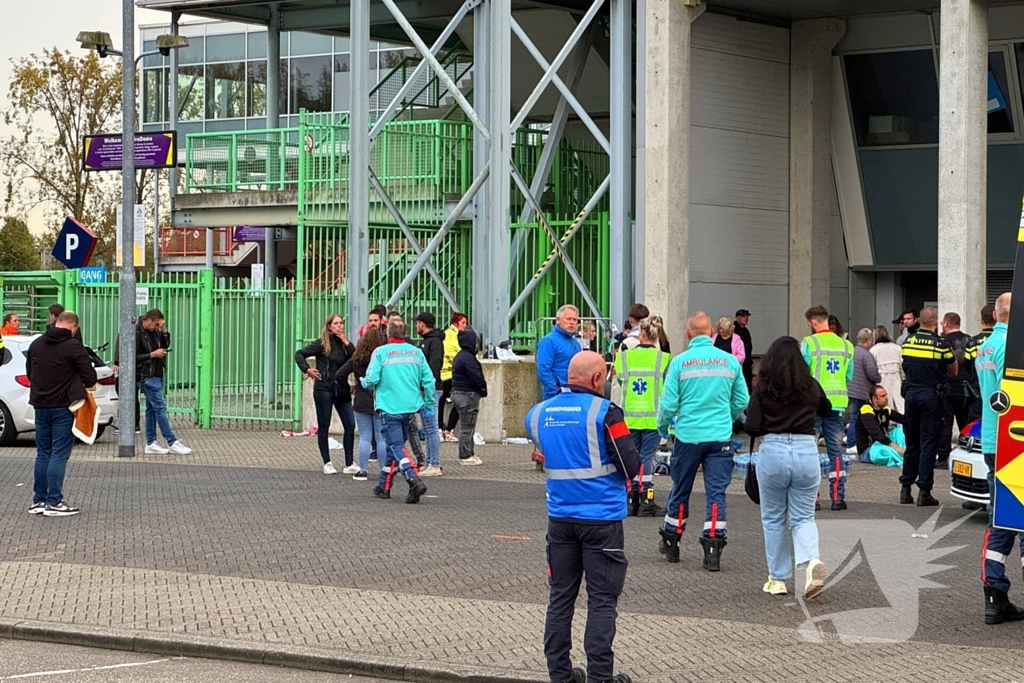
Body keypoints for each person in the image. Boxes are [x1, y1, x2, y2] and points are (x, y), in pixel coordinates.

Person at [525, 351, 639, 683]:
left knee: (560, 597)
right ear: (596, 379)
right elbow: (630, 466)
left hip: (560, 519)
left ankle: (560, 675)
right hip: (602, 520)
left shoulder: (539, 413)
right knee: (602, 602)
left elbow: (543, 445)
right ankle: (600, 677)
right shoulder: (606, 413)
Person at [657, 311, 749, 570]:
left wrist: (663, 429)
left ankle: (672, 540)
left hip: (688, 436)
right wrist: (727, 417)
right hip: (719, 437)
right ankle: (713, 546)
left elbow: (668, 404)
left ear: (688, 334)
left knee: (681, 488)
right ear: (711, 333)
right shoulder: (729, 362)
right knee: (716, 492)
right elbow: (742, 399)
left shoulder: (679, 363)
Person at [743, 336, 828, 598]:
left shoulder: (763, 388)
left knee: (773, 518)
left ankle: (777, 579)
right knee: (803, 517)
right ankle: (812, 561)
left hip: (773, 452)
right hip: (806, 451)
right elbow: (826, 409)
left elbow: (752, 426)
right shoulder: (810, 385)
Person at [977, 292, 1024, 625]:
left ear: (994, 314)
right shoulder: (1014, 347)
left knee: (1001, 519)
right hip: (1015, 440)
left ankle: (994, 597)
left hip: (993, 440)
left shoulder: (986, 346)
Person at [26, 311, 97, 517]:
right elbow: (89, 376)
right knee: (59, 453)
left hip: (40, 405)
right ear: (73, 327)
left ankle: (39, 501)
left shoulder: (36, 344)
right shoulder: (73, 346)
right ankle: (54, 502)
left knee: (43, 453)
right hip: (64, 406)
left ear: (57, 322)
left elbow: (30, 373)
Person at [362, 319, 431, 504]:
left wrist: (364, 382)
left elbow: (372, 379)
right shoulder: (416, 352)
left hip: (389, 407)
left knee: (396, 446)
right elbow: (429, 380)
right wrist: (429, 404)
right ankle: (383, 486)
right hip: (411, 407)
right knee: (394, 448)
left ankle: (413, 478)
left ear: (388, 334)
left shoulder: (381, 352)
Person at [613, 315, 671, 517]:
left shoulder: (624, 357)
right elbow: (667, 388)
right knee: (646, 456)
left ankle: (631, 498)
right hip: (653, 417)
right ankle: (646, 498)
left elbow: (622, 382)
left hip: (630, 417)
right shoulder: (663, 359)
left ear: (642, 334)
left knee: (633, 456)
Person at [899, 307, 957, 507]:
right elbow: (953, 369)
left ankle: (905, 489)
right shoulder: (941, 344)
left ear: (919, 321)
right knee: (929, 444)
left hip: (911, 396)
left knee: (912, 443)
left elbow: (905, 366)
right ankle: (924, 492)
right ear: (936, 322)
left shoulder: (908, 342)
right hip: (931, 397)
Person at [801, 306, 854, 511]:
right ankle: (838, 498)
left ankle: (813, 498)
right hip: (837, 404)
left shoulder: (809, 343)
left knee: (810, 451)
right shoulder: (846, 345)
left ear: (814, 322)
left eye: (809, 324)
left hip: (813, 404)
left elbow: (802, 374)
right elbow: (848, 376)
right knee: (836, 452)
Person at [295, 313, 357, 475]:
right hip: (324, 388)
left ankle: (349, 463)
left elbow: (356, 358)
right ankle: (327, 462)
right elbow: (299, 354)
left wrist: (346, 341)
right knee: (324, 426)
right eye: (336, 323)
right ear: (329, 326)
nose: (339, 326)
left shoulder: (345, 344)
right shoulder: (322, 344)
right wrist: (307, 369)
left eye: (341, 323)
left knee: (350, 424)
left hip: (341, 388)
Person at [133, 309, 192, 456]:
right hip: (146, 375)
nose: (157, 328)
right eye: (156, 324)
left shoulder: (156, 331)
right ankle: (172, 441)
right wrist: (152, 354)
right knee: (160, 407)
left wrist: (164, 330)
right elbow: (132, 356)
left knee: (151, 409)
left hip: (157, 373)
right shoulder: (137, 332)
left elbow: (165, 344)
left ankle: (151, 443)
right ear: (148, 320)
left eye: (159, 325)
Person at [338, 327, 388, 481]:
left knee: (365, 437)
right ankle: (383, 470)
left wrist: (349, 388)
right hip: (379, 400)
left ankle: (363, 470)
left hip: (361, 400)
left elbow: (340, 374)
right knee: (381, 438)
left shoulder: (357, 358)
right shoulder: (382, 358)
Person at [938, 311, 972, 467]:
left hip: (948, 387)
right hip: (966, 388)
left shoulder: (942, 342)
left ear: (945, 324)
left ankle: (943, 458)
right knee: (965, 422)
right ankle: (967, 455)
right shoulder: (969, 340)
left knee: (946, 423)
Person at [415, 312, 445, 477]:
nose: (416, 326)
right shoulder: (426, 342)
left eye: (417, 323)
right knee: (427, 428)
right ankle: (429, 461)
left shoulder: (434, 342)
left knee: (432, 428)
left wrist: (427, 388)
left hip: (431, 389)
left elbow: (434, 366)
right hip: (425, 389)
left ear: (422, 324)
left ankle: (434, 463)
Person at [451, 328, 487, 465]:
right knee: (467, 427)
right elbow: (476, 377)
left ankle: (469, 453)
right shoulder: (469, 359)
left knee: (466, 426)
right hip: (467, 395)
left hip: (457, 393)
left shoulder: (459, 356)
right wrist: (482, 389)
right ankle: (466, 455)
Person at [845, 328, 881, 454]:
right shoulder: (867, 355)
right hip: (861, 391)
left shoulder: (851, 351)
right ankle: (852, 443)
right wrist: (878, 377)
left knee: (853, 417)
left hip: (850, 389)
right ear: (868, 340)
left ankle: (850, 440)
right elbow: (872, 373)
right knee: (857, 418)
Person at [537, 304, 583, 400]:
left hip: (574, 393)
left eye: (575, 320)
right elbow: (543, 369)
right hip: (557, 394)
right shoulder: (548, 341)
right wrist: (553, 391)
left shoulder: (576, 344)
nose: (572, 322)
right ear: (558, 320)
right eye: (568, 319)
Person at [854, 385, 904, 462]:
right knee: (890, 452)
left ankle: (909, 452)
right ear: (874, 399)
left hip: (882, 444)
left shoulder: (885, 409)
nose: (886, 398)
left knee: (900, 430)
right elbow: (876, 433)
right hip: (869, 450)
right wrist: (894, 446)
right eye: (883, 396)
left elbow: (903, 419)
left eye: (886, 395)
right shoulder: (866, 410)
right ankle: (907, 460)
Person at [440, 313, 469, 442]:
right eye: (463, 323)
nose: (465, 325)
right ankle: (443, 430)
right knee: (449, 401)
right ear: (456, 323)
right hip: (448, 374)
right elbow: (455, 352)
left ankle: (447, 430)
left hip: (452, 373)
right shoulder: (450, 335)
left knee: (456, 401)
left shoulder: (458, 335)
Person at [965, 303, 996, 422]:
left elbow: (967, 367)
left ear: (981, 321)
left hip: (977, 391)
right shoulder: (1003, 340)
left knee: (975, 424)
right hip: (998, 392)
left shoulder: (972, 343)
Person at [870, 326, 904, 413]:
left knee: (884, 402)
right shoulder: (897, 348)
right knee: (900, 403)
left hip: (882, 379)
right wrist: (903, 378)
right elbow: (902, 366)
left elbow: (872, 369)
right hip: (896, 377)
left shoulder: (873, 350)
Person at [734, 309, 753, 391]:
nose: (746, 318)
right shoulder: (734, 330)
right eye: (743, 316)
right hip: (738, 363)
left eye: (747, 316)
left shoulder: (746, 331)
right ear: (737, 318)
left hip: (747, 362)